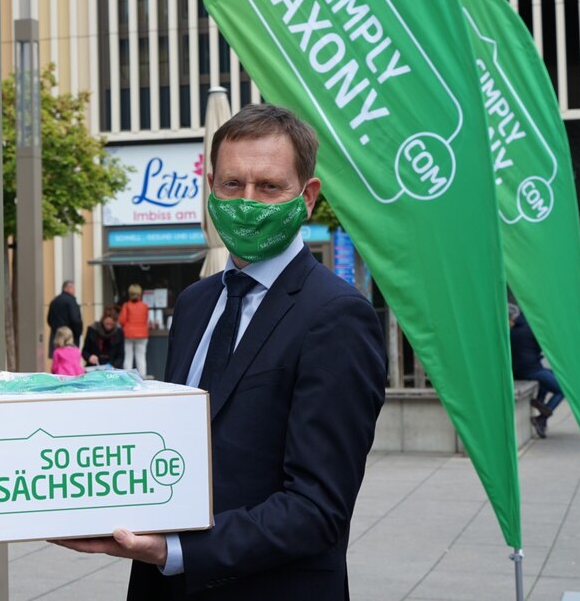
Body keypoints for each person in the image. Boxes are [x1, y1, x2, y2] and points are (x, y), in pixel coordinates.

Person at [57, 104, 387, 598]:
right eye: (232, 185)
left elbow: (318, 509)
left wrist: (174, 550)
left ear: (308, 197)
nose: (247, 201)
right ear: (210, 187)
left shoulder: (338, 316)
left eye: (269, 186)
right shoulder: (196, 302)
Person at [508, 302, 563, 439]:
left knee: (548, 375)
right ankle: (543, 415)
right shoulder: (529, 328)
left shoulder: (511, 331)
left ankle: (540, 405)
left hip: (522, 370)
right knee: (561, 389)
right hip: (530, 370)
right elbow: (543, 345)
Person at [119, 284, 151, 376]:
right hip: (142, 334)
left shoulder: (126, 305)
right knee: (141, 357)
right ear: (140, 294)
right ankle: (142, 377)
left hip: (128, 334)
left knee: (128, 357)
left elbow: (122, 320)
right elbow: (146, 319)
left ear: (129, 294)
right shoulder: (144, 306)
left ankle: (127, 377)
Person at [47, 280, 83, 357]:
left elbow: (49, 320)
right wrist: (78, 333)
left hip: (56, 337)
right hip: (69, 338)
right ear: (68, 288)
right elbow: (75, 319)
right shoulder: (71, 301)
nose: (74, 291)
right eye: (73, 288)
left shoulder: (54, 301)